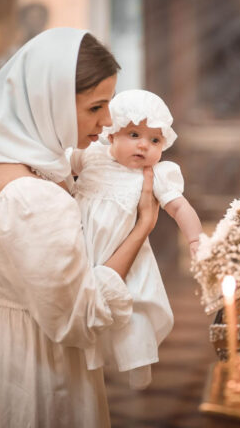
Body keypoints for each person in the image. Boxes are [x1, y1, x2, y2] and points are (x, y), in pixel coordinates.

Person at [0, 27, 160, 427]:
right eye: (95, 107)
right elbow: (80, 317)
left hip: (0, 346)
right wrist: (142, 225)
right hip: (33, 371)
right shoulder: (33, 198)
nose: (107, 120)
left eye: (109, 104)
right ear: (51, 102)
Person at [69, 90, 202, 389]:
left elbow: (180, 207)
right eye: (133, 134)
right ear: (112, 134)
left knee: (132, 304)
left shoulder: (155, 174)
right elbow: (58, 163)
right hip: (81, 246)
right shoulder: (91, 157)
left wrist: (195, 240)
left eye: (155, 140)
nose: (144, 145)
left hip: (124, 253)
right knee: (83, 304)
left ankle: (135, 359)